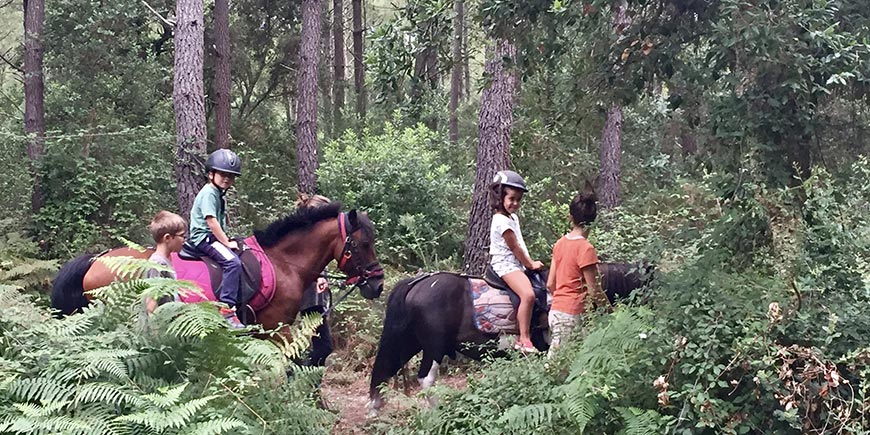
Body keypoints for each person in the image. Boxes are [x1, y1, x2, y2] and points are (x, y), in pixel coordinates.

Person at [545, 183, 608, 357]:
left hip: (556, 311)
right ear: (592, 221)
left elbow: (551, 284)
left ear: (570, 217)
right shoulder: (586, 248)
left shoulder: (559, 244)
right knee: (555, 364)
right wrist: (612, 313)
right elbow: (595, 290)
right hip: (572, 314)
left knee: (578, 360)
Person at [489, 169, 545, 353]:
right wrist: (530, 264)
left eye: (518, 200)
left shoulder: (512, 218)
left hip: (516, 264)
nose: (515, 203)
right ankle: (524, 338)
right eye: (511, 198)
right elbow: (515, 248)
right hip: (506, 265)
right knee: (528, 295)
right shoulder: (500, 221)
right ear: (500, 198)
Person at [189, 149, 245, 328]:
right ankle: (226, 310)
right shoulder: (209, 193)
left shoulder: (218, 194)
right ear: (211, 174)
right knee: (233, 263)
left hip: (211, 236)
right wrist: (227, 243)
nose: (227, 179)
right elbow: (212, 222)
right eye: (222, 174)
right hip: (204, 238)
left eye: (231, 176)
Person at [296, 193, 334, 366]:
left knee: (313, 345)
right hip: (309, 298)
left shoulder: (316, 236)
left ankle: (304, 382)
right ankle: (306, 383)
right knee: (323, 346)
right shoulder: (304, 236)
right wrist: (318, 276)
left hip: (315, 298)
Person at [144, 210, 187, 315]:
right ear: (167, 238)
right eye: (182, 236)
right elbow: (151, 303)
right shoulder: (157, 264)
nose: (184, 240)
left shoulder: (165, 261)